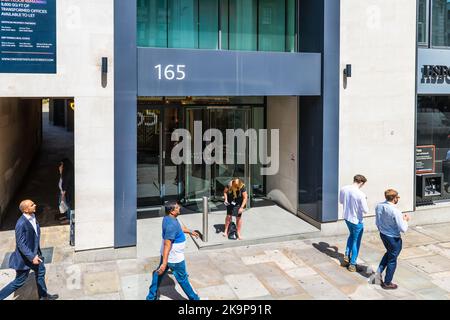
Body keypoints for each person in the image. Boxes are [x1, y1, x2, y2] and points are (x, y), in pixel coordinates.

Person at [0, 200, 58, 300]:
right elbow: (21, 244)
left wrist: (36, 254)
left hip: (36, 254)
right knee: (18, 282)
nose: (35, 205)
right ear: (26, 210)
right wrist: (32, 257)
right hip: (25, 259)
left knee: (40, 273)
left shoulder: (32, 216)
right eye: (32, 205)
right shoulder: (21, 224)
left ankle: (43, 296)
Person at [146, 201, 200, 300]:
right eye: (177, 207)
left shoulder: (168, 218)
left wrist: (190, 231)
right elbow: (167, 244)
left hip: (168, 255)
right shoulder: (171, 225)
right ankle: (195, 299)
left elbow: (179, 228)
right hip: (174, 257)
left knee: (159, 272)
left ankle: (151, 297)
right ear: (171, 211)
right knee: (183, 279)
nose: (179, 208)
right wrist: (165, 262)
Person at [374, 189, 409, 290]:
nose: (397, 199)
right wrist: (405, 220)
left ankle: (378, 274)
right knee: (392, 260)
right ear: (394, 199)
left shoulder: (379, 206)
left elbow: (377, 221)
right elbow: (403, 229)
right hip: (394, 238)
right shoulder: (395, 211)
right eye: (397, 197)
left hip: (383, 235)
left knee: (389, 253)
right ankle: (387, 282)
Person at [339, 174, 369, 272]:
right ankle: (352, 264)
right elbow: (366, 210)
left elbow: (341, 201)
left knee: (351, 236)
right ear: (361, 182)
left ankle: (347, 255)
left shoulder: (344, 189)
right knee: (356, 241)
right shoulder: (361, 194)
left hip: (347, 217)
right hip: (357, 220)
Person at [57, 158, 74, 224]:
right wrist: (61, 172)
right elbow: (61, 180)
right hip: (63, 191)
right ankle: (67, 216)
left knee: (68, 205)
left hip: (67, 192)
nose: (60, 166)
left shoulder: (68, 173)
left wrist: (63, 192)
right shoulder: (65, 172)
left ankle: (69, 219)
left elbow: (66, 183)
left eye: (62, 164)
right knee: (63, 204)